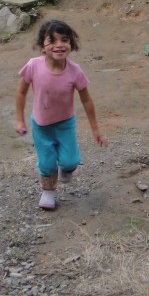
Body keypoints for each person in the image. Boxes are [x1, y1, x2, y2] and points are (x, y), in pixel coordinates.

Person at [15, 18, 107, 210]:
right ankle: (48, 192)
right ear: (42, 46)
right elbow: (21, 92)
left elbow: (87, 100)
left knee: (70, 162)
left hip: (65, 124)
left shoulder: (75, 72)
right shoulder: (33, 66)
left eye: (64, 40)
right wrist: (20, 121)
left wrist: (95, 129)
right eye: (52, 41)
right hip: (41, 126)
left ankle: (65, 169)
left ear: (71, 45)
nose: (59, 45)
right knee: (47, 164)